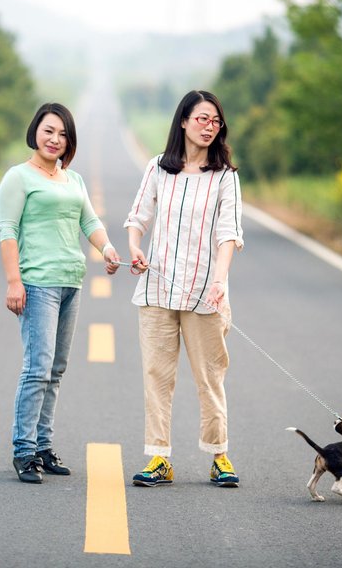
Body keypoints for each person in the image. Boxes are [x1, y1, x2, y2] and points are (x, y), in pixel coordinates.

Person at [124, 90, 244, 487]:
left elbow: (229, 233)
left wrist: (220, 280)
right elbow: (138, 216)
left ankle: (219, 455)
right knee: (157, 376)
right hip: (156, 289)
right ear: (183, 121)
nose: (210, 127)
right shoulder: (159, 168)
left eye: (216, 121)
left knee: (210, 377)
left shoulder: (225, 177)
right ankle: (159, 458)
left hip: (204, 292)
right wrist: (134, 247)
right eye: (202, 119)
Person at [0, 102, 121, 484]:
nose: (55, 139)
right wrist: (13, 281)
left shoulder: (74, 180)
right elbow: (8, 231)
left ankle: (43, 447)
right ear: (35, 130)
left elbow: (89, 220)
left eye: (63, 134)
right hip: (37, 283)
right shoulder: (18, 178)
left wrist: (108, 249)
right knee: (37, 368)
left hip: (71, 281)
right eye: (49, 130)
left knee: (56, 370)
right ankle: (23, 451)